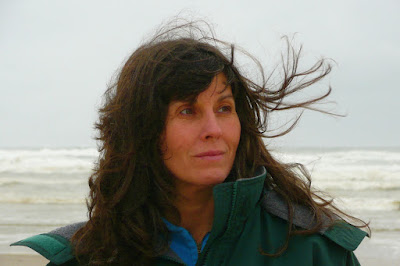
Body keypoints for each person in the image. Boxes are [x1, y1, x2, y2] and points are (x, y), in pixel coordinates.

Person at [12, 21, 368, 265]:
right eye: (187, 111)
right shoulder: (91, 256)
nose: (214, 128)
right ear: (142, 129)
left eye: (224, 108)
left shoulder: (314, 248)